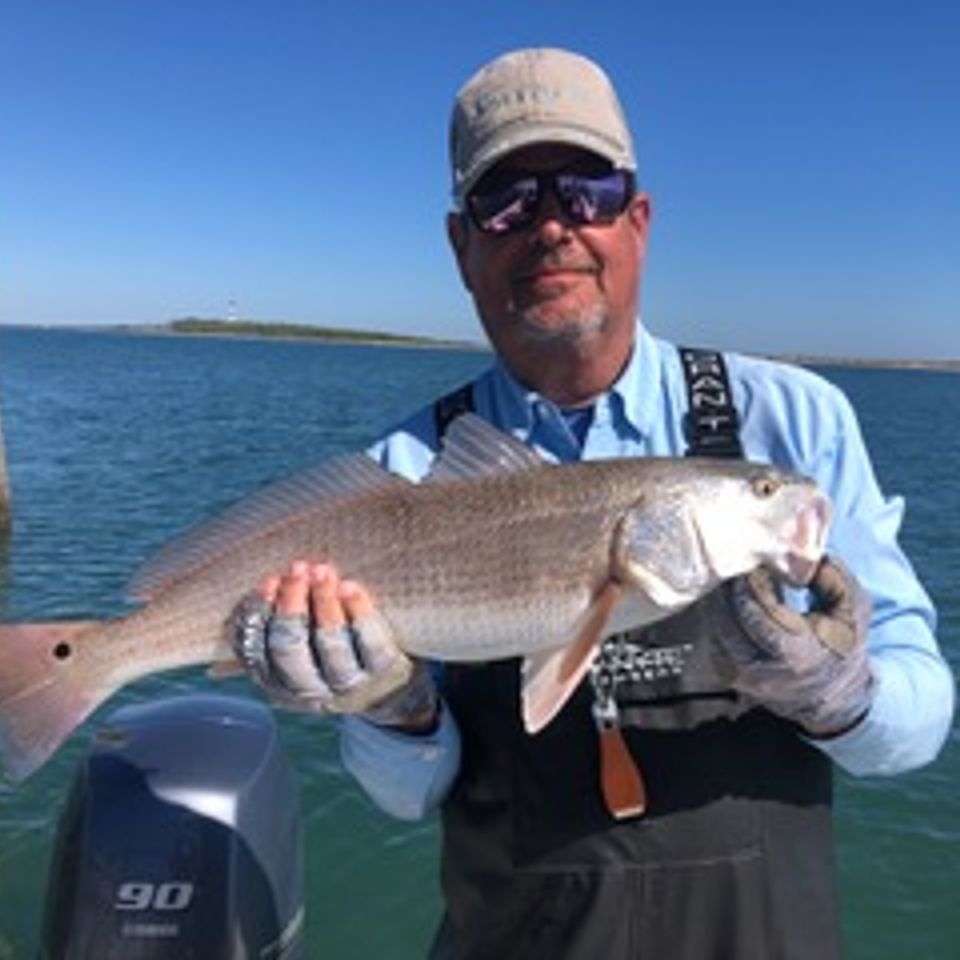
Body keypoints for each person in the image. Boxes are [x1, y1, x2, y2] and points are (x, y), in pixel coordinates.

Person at [232, 48, 954, 959]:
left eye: (588, 191)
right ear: (462, 245)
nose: (551, 226)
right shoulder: (404, 474)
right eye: (507, 199)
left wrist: (836, 690)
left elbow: (919, 726)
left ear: (638, 221)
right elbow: (406, 798)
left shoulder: (794, 418)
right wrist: (392, 706)